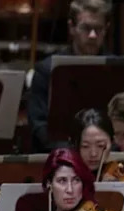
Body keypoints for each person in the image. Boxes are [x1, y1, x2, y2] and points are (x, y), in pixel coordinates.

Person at [28, 0, 112, 152]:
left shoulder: (116, 69)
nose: (93, 35)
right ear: (71, 28)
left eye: (98, 29)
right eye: (86, 28)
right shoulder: (47, 70)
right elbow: (39, 126)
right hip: (61, 157)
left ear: (106, 29)